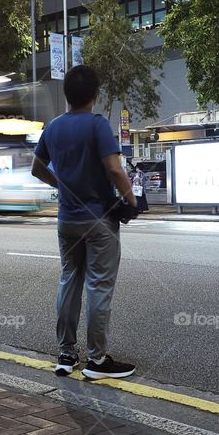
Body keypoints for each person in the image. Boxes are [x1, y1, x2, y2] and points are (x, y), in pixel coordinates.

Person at [30, 65, 138, 379]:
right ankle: (97, 361)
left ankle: (66, 355)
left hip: (67, 220)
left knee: (69, 281)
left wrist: (59, 184)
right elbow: (115, 170)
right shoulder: (97, 125)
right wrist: (131, 201)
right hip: (99, 219)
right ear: (94, 94)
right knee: (98, 286)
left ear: (68, 95)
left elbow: (37, 168)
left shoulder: (53, 128)